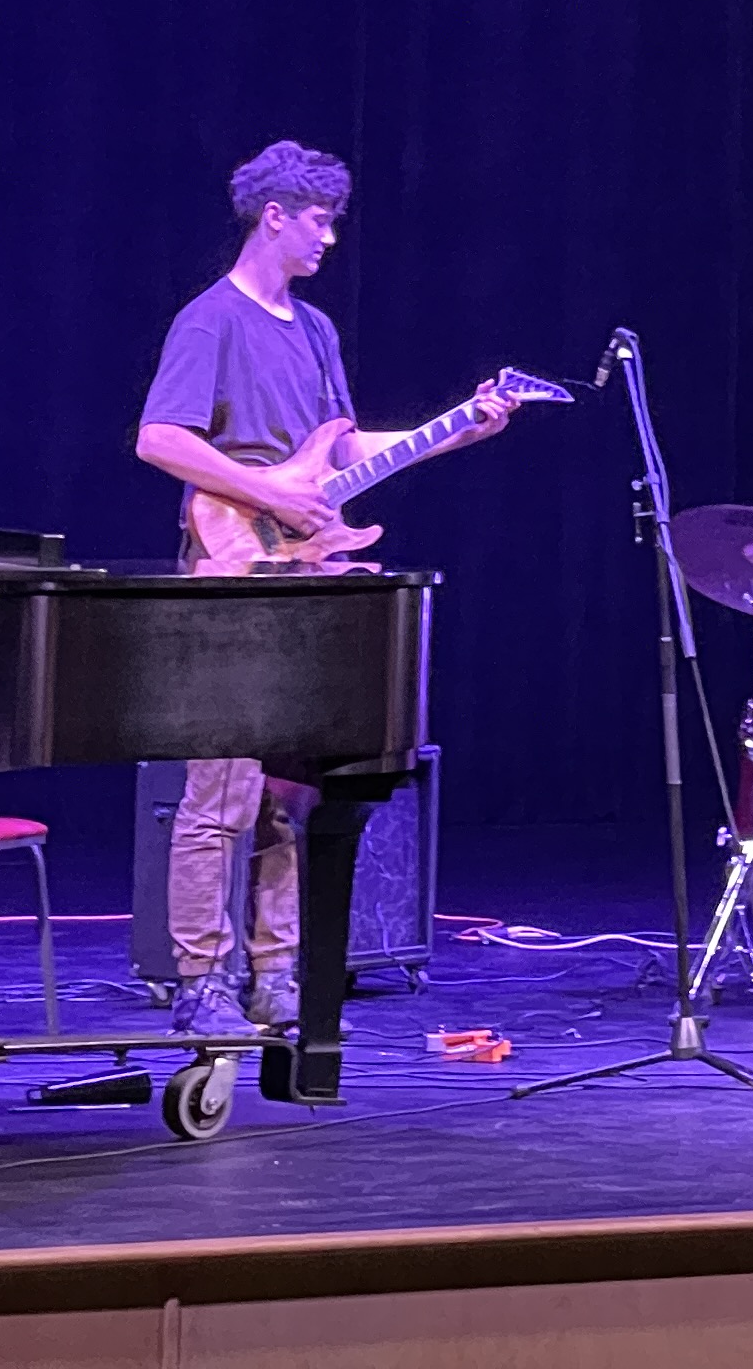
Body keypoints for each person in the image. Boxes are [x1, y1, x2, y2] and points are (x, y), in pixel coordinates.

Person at [133, 138, 502, 1045]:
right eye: (319, 220)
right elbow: (161, 439)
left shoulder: (317, 330)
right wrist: (269, 496)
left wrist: (456, 430)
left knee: (288, 794)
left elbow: (339, 452)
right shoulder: (210, 321)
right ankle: (201, 980)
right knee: (217, 792)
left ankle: (276, 973)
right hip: (232, 571)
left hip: (309, 576)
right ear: (275, 217)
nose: (331, 237)